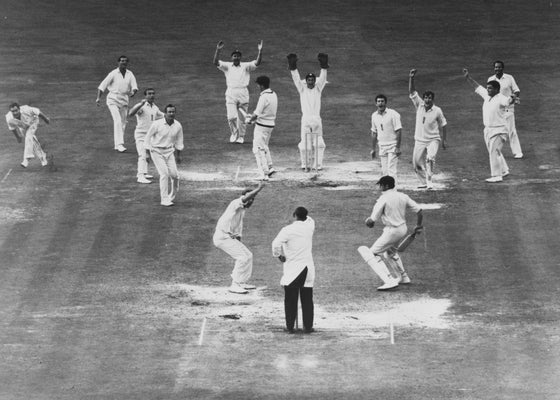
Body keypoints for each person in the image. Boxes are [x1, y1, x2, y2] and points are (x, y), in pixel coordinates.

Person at [358, 176, 423, 290]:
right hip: (403, 229)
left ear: (386, 186)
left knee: (373, 254)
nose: (379, 187)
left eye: (381, 185)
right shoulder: (403, 196)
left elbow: (371, 222)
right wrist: (418, 225)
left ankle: (389, 281)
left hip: (392, 231)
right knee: (390, 253)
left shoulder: (383, 199)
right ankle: (403, 277)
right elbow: (419, 210)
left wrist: (368, 221)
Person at [463, 68, 516, 182]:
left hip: (499, 130)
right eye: (487, 88)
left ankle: (497, 176)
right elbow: (477, 87)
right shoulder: (487, 95)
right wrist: (468, 77)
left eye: (490, 88)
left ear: (497, 89)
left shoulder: (501, 98)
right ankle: (504, 170)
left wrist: (512, 98)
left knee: (494, 151)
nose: (488, 90)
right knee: (495, 151)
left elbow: (508, 101)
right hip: (488, 130)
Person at [213, 182, 265, 294]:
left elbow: (238, 233)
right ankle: (234, 285)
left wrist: (238, 244)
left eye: (253, 200)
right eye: (250, 198)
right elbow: (246, 198)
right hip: (222, 237)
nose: (251, 201)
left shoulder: (242, 212)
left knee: (248, 255)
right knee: (242, 257)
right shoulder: (235, 203)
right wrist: (259, 189)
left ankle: (241, 282)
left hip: (229, 238)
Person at [272, 206, 316, 334]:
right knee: (307, 299)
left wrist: (278, 255)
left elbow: (275, 244)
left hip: (293, 271)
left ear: (294, 215)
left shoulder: (287, 230)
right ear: (305, 217)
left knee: (290, 300)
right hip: (308, 269)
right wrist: (305, 216)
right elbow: (310, 219)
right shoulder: (310, 227)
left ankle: (290, 327)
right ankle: (308, 327)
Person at [213, 40, 263, 144]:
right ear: (232, 57)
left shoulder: (246, 66)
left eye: (238, 56)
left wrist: (260, 51)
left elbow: (257, 63)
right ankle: (234, 133)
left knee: (242, 118)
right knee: (231, 117)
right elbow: (215, 62)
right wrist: (218, 50)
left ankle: (241, 136)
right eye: (234, 56)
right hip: (231, 93)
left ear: (240, 57)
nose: (236, 57)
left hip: (243, 93)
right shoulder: (227, 66)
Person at [287, 52, 329, 171]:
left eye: (312, 80)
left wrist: (324, 67)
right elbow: (296, 79)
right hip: (305, 120)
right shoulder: (302, 89)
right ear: (306, 81)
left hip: (316, 120)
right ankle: (305, 164)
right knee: (305, 145)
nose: (311, 81)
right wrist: (293, 67)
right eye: (309, 80)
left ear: (315, 81)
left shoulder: (318, 88)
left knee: (319, 144)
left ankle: (318, 165)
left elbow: (323, 78)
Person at [408, 69, 448, 189]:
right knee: (416, 163)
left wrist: (444, 140)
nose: (427, 100)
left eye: (429, 98)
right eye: (425, 97)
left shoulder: (437, 110)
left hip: (433, 139)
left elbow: (444, 124)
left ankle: (429, 180)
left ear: (432, 99)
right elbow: (412, 92)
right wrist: (411, 78)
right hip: (419, 139)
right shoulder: (419, 105)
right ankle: (423, 182)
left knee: (430, 158)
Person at [96, 55, 138, 152]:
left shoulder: (130, 74)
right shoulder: (113, 73)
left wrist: (133, 92)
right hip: (113, 99)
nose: (124, 62)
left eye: (125, 61)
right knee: (118, 120)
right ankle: (119, 144)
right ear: (118, 62)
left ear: (127, 63)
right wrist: (98, 98)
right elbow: (102, 86)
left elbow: (134, 86)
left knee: (123, 122)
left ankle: (117, 144)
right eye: (122, 61)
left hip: (124, 100)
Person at [144, 104, 184, 206]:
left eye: (173, 112)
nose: (171, 114)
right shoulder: (157, 124)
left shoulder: (178, 125)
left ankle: (172, 196)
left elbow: (179, 141)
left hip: (169, 152)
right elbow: (147, 137)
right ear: (165, 113)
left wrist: (178, 155)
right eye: (169, 112)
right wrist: (147, 153)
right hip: (156, 151)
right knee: (164, 174)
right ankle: (164, 199)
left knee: (175, 176)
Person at [487, 60, 523, 158]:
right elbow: (489, 94)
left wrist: (514, 97)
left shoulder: (509, 78)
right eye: (496, 67)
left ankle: (517, 152)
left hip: (508, 109)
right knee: (495, 131)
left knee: (511, 131)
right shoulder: (491, 79)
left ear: (502, 68)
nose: (497, 69)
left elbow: (516, 90)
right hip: (496, 110)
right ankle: (494, 151)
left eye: (499, 67)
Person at [128, 88, 164, 184]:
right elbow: (130, 113)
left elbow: (161, 115)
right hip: (141, 135)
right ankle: (140, 176)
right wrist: (140, 104)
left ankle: (144, 172)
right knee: (142, 155)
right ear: (145, 95)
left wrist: (170, 116)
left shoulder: (155, 107)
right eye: (149, 94)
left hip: (150, 136)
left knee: (149, 154)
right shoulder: (141, 106)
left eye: (153, 93)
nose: (151, 95)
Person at [246, 76, 278, 181]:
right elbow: (265, 113)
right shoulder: (274, 94)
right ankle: (270, 167)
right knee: (264, 146)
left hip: (262, 127)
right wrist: (253, 119)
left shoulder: (264, 97)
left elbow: (257, 113)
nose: (258, 87)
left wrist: (250, 120)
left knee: (258, 149)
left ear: (262, 85)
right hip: (270, 126)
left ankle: (263, 174)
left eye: (258, 85)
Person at [5, 103, 50, 168]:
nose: (15, 113)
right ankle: (42, 157)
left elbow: (38, 112)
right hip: (23, 126)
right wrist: (18, 137)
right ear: (10, 111)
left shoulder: (26, 109)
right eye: (13, 111)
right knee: (31, 140)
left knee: (28, 136)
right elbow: (12, 128)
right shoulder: (9, 118)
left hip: (33, 121)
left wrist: (46, 119)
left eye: (16, 110)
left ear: (19, 109)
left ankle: (26, 159)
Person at [370, 94, 402, 179]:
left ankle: (394, 187)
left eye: (382, 101)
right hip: (382, 146)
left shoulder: (393, 114)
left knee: (391, 170)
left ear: (385, 103)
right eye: (378, 101)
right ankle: (386, 187)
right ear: (376, 103)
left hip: (393, 146)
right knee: (384, 171)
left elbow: (399, 131)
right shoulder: (374, 116)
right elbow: (374, 133)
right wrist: (373, 149)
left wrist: (398, 147)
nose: (380, 103)